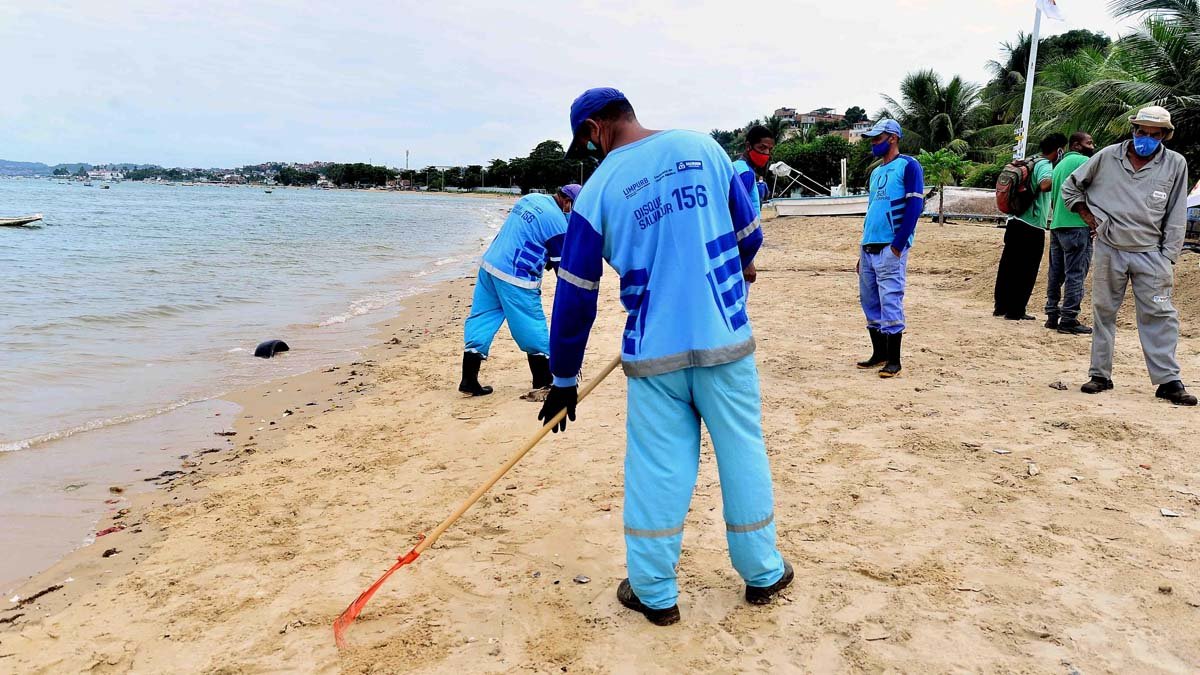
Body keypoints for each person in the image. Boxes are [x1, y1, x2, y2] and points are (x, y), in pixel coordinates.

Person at [539, 87, 792, 625]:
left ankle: (655, 593)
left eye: (585, 142)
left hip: (654, 354)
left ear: (593, 130)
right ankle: (763, 573)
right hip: (725, 338)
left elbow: (575, 295)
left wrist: (563, 377)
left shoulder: (596, 190)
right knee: (742, 452)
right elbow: (750, 236)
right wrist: (739, 266)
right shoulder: (705, 148)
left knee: (658, 469)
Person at [1062, 106, 1196, 406]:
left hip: (1152, 253)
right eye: (1140, 132)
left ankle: (1168, 381)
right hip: (1110, 248)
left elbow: (1176, 212)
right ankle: (1100, 375)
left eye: (1153, 134)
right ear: (1132, 130)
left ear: (1164, 136)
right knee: (1103, 312)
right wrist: (1085, 214)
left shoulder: (1175, 164)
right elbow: (1071, 187)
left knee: (1160, 316)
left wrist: (1169, 257)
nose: (1145, 138)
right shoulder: (1107, 156)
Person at [458, 184, 580, 397]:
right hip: (517, 276)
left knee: (482, 318)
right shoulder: (558, 223)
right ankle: (543, 381)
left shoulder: (531, 199)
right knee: (531, 324)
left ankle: (468, 379)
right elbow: (562, 268)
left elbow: (528, 233)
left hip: (490, 265)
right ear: (567, 202)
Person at [855, 119, 925, 378]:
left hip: (890, 247)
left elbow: (915, 206)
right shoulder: (875, 173)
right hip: (869, 246)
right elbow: (872, 210)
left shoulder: (908, 165)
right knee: (870, 302)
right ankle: (879, 353)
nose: (873, 143)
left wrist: (898, 245)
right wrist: (860, 249)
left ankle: (894, 360)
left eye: (877, 138)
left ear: (892, 138)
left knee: (891, 300)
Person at [993, 133, 1068, 321]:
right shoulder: (1044, 165)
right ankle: (1016, 310)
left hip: (1014, 221)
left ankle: (1001, 306)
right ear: (1059, 150)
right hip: (1031, 225)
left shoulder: (1031, 160)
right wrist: (1062, 175)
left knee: (1008, 266)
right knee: (1027, 269)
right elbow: (1044, 185)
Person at [1044, 131, 1096, 334]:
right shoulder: (1084, 162)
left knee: (1055, 273)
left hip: (1057, 225)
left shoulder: (1058, 166)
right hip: (1077, 224)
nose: (1092, 146)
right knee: (1076, 274)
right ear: (1076, 145)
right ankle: (1069, 319)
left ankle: (1052, 315)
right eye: (1089, 142)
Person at [731, 124, 774, 284]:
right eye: (762, 148)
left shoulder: (736, 167)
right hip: (740, 254)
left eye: (769, 149)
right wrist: (748, 261)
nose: (766, 153)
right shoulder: (746, 174)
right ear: (748, 146)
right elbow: (737, 216)